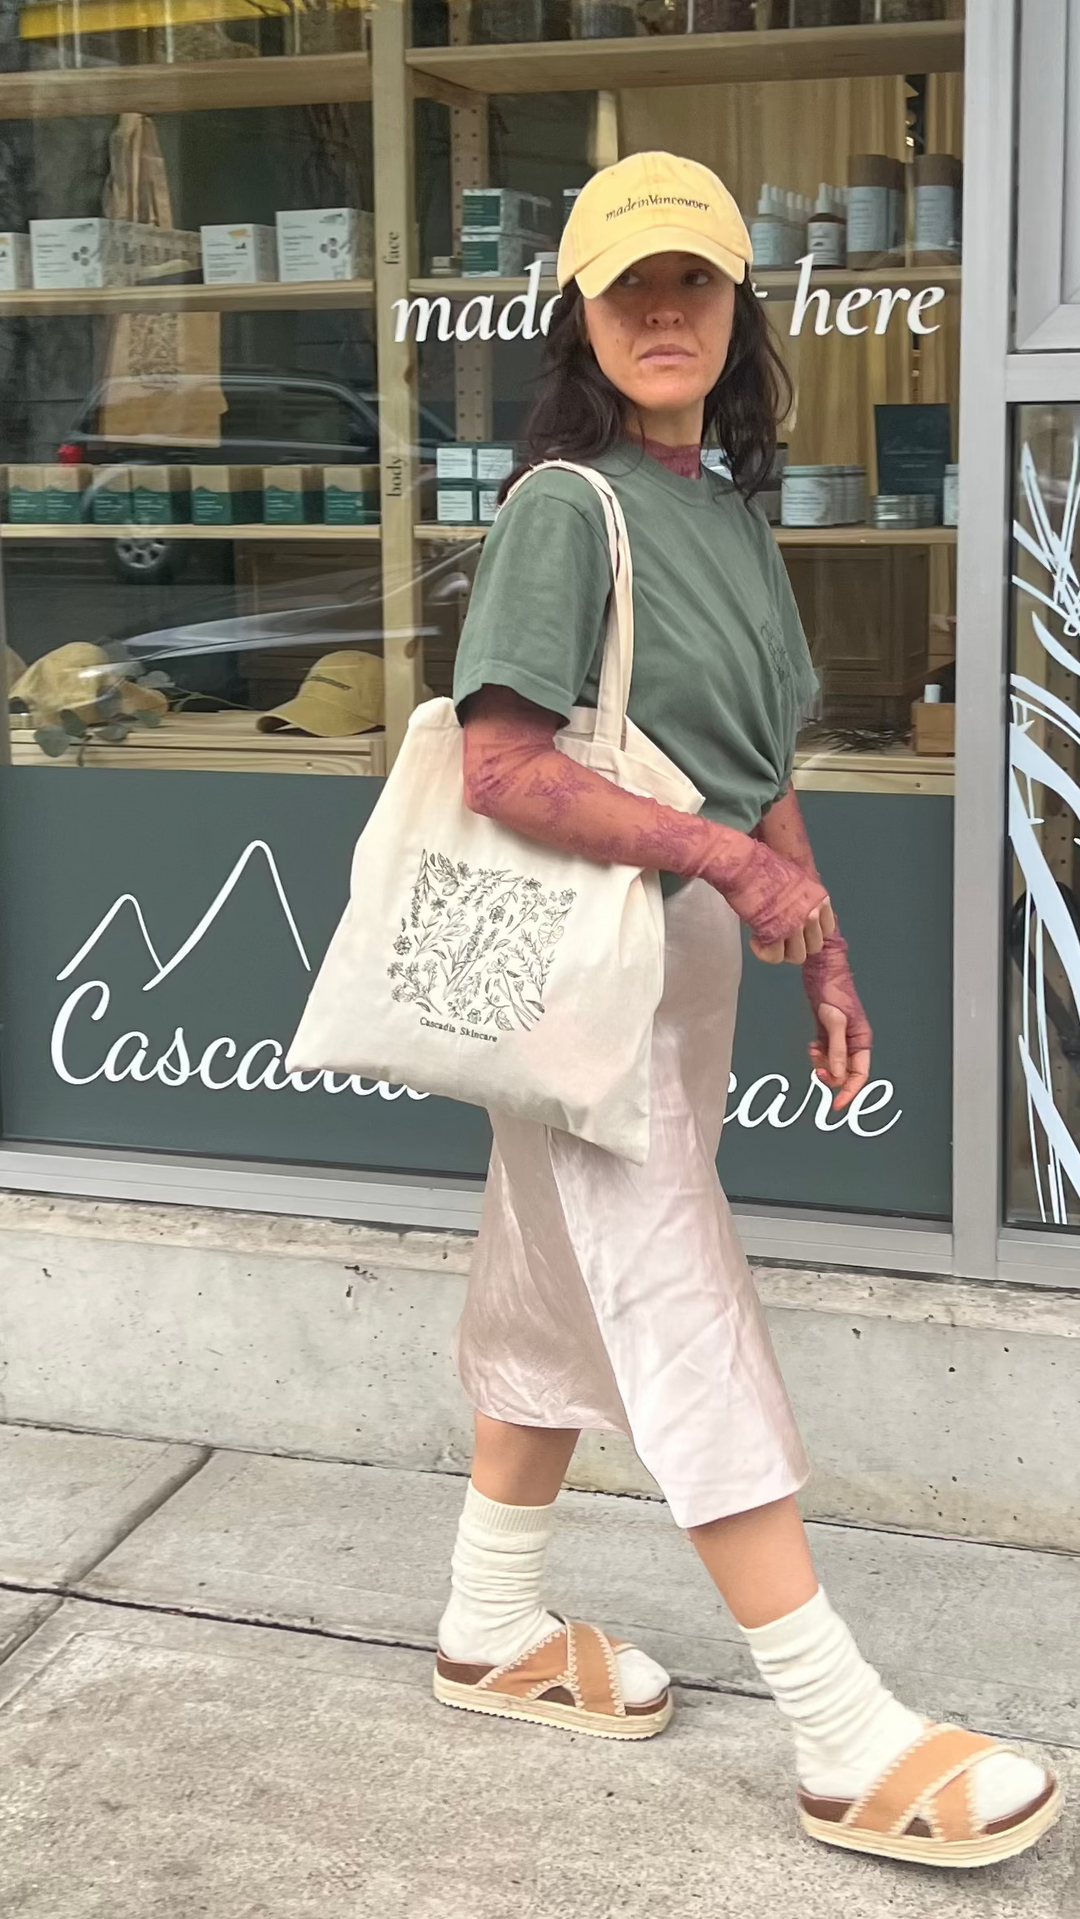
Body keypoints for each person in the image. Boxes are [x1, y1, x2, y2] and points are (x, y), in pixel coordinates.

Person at [434, 151, 1060, 1869]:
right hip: (595, 973)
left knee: (546, 1291)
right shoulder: (567, 504)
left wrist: (820, 937)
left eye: (692, 282)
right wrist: (743, 868)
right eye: (628, 283)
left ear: (736, 309)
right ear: (577, 310)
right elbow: (502, 763)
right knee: (674, 1296)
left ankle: (490, 1622)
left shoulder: (717, 509)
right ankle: (839, 1727)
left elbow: (761, 766)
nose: (660, 310)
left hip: (668, 973)